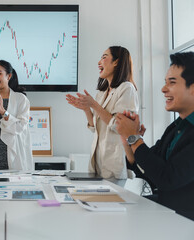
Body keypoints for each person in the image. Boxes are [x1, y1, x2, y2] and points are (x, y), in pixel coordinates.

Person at [115, 52, 194, 220]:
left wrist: (134, 139)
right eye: (165, 82)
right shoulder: (175, 127)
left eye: (172, 82)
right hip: (168, 217)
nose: (163, 89)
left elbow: (167, 178)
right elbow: (151, 173)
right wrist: (128, 141)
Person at [66, 46, 139, 186]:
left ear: (116, 62)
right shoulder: (102, 92)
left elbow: (120, 127)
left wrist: (94, 105)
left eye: (104, 57)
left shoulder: (127, 88)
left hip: (114, 164)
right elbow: (95, 127)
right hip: (97, 163)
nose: (99, 62)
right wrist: (87, 109)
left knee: (110, 206)